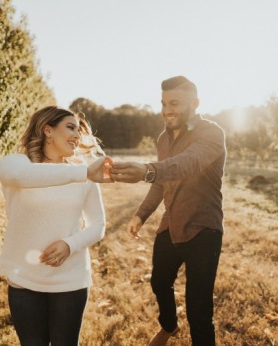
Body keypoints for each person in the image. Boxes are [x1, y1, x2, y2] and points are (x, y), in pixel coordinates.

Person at [111, 76, 226, 346]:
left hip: (204, 230)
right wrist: (141, 215)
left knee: (199, 311)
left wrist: (148, 170)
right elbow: (162, 182)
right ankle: (170, 326)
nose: (167, 110)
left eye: (174, 103)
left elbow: (188, 163)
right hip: (171, 225)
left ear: (195, 104)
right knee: (159, 283)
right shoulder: (163, 138)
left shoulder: (211, 133)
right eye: (163, 103)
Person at [0, 105, 112, 346]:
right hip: (24, 278)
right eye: (70, 127)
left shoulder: (83, 175)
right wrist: (81, 172)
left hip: (70, 279)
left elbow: (98, 225)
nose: (76, 135)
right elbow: (24, 177)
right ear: (47, 130)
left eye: (78, 130)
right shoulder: (15, 163)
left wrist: (70, 245)